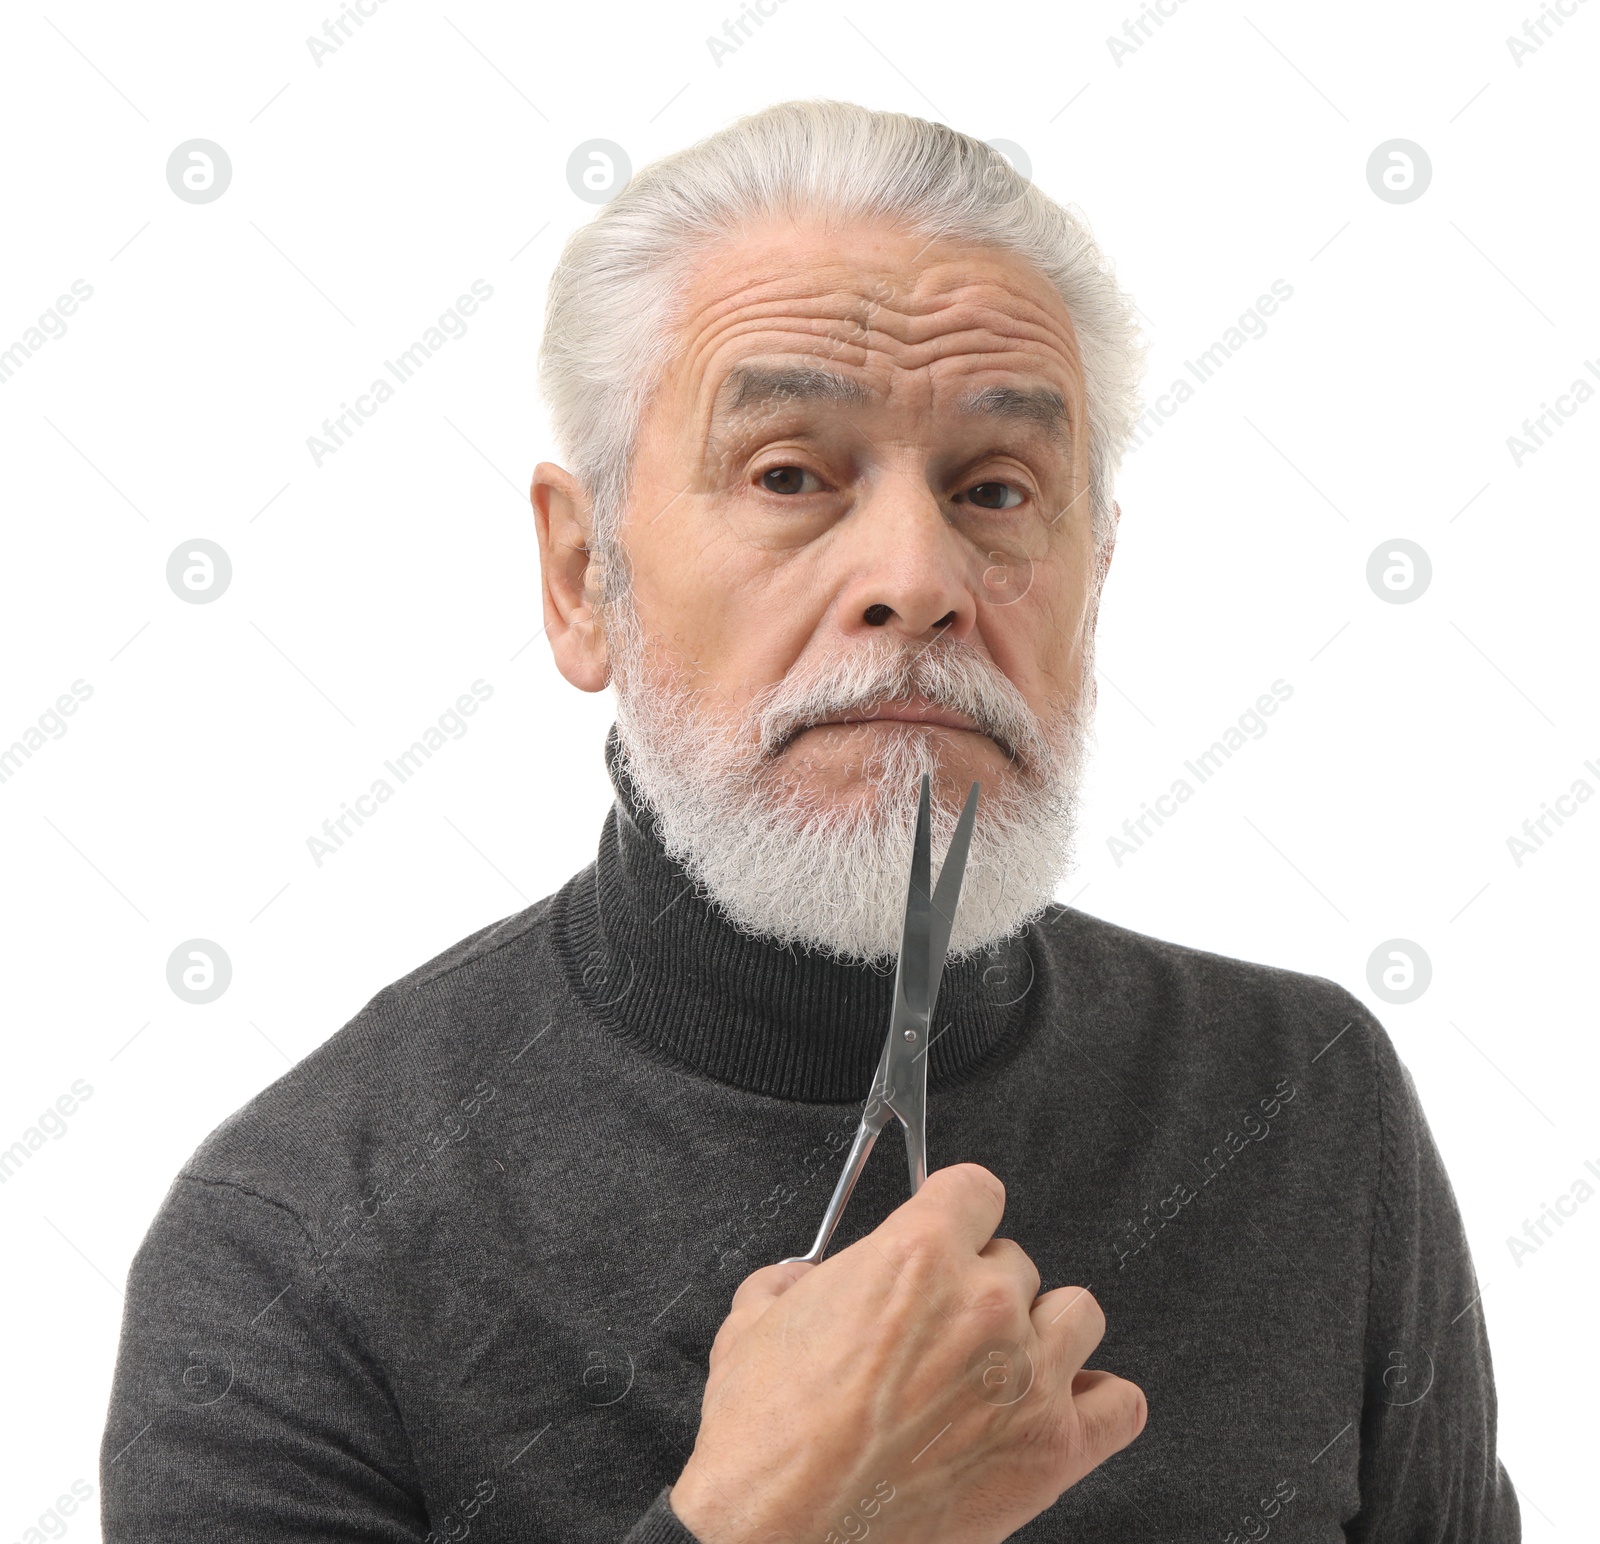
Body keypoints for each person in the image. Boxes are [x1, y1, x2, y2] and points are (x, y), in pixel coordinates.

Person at [100, 99, 1520, 1542]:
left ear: (1096, 574)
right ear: (585, 578)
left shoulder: (1304, 1098)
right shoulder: (289, 1246)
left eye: (995, 489)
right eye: (789, 473)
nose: (919, 577)